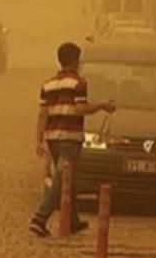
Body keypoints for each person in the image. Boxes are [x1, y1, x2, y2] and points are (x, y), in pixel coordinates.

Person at [29, 42, 116, 237]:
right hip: (70, 137)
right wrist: (102, 105)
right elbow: (80, 109)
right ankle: (40, 218)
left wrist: (38, 140)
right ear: (76, 60)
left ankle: (73, 220)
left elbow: (42, 114)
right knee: (61, 179)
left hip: (52, 138)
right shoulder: (79, 83)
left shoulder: (48, 84)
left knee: (68, 178)